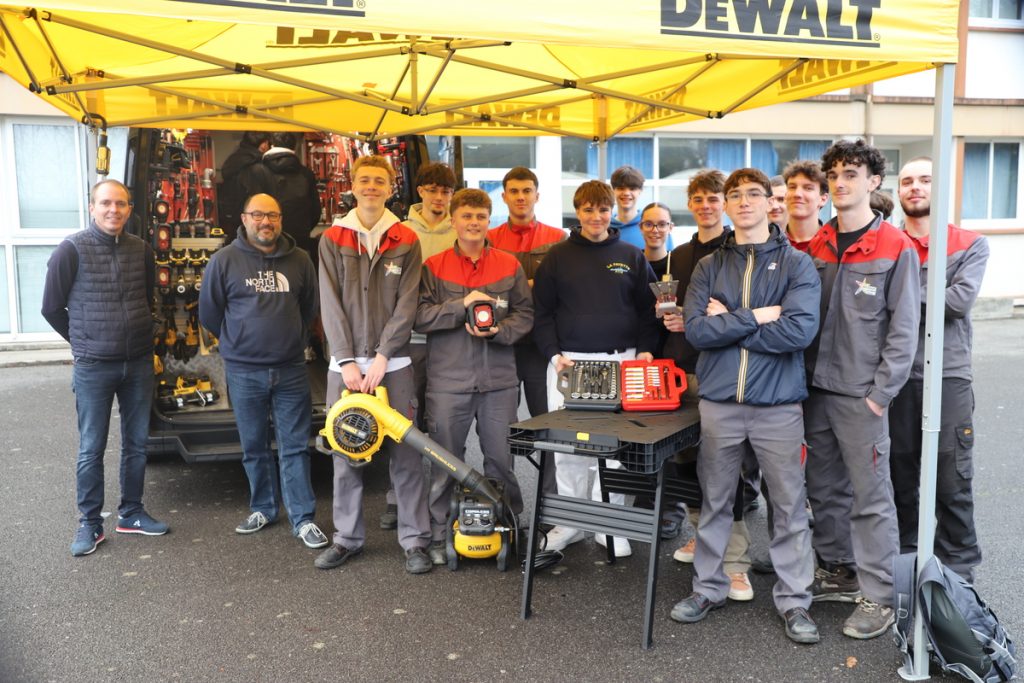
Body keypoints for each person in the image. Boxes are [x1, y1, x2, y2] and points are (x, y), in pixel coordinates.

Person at [669, 168, 820, 644]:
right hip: (719, 404)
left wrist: (729, 323)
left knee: (788, 505)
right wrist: (756, 316)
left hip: (777, 406)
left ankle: (795, 601)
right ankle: (709, 588)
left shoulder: (797, 265)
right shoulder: (709, 266)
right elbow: (696, 332)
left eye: (754, 194)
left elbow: (798, 332)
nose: (744, 202)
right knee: (715, 500)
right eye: (734, 195)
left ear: (770, 203)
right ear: (727, 204)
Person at [804, 139, 921, 640]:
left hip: (861, 396)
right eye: (834, 174)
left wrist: (879, 394)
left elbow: (905, 330)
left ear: (873, 182)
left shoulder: (895, 246)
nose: (840, 182)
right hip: (813, 392)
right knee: (823, 488)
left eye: (851, 174)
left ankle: (879, 596)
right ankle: (837, 567)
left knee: (871, 498)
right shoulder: (817, 245)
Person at [315, 155, 433, 574]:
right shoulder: (332, 238)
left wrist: (384, 356)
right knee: (345, 451)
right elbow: (329, 303)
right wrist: (346, 360)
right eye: (364, 180)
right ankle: (347, 538)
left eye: (378, 181)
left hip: (395, 364)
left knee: (406, 452)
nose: (371, 187)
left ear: (390, 186)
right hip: (343, 368)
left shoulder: (405, 238)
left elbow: (408, 303)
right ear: (352, 184)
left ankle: (416, 540)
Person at [41, 180, 169, 556]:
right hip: (94, 365)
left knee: (136, 444)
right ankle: (89, 523)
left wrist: (151, 335)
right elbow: (51, 307)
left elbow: (149, 299)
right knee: (91, 448)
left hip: (138, 362)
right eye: (106, 203)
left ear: (130, 209)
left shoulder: (142, 250)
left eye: (121, 204)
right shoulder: (71, 250)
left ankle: (131, 513)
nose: (114, 210)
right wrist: (82, 342)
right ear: (92, 207)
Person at [533, 180, 660, 556]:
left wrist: (645, 352)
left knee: (618, 449)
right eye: (588, 209)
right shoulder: (556, 257)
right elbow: (542, 316)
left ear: (611, 212)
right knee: (567, 450)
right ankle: (571, 522)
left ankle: (611, 524)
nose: (596, 216)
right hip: (569, 364)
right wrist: (555, 356)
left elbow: (649, 311)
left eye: (602, 209)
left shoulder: (632, 255)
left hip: (620, 362)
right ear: (578, 212)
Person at [199, 192, 326, 549]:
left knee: (295, 446)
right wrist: (236, 342)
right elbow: (209, 313)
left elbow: (309, 308)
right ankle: (264, 508)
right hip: (243, 372)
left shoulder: (300, 260)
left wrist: (291, 340)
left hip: (290, 370)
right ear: (244, 218)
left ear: (281, 219)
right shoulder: (223, 261)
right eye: (257, 215)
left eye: (272, 215)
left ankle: (303, 519)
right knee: (253, 445)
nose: (265, 222)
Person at [415, 188, 534, 564]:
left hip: (498, 380)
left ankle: (510, 526)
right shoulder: (433, 266)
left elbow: (525, 315)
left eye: (481, 217)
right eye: (466, 216)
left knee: (502, 461)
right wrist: (459, 306)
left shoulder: (509, 265)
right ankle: (438, 534)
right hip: (449, 381)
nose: (473, 223)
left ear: (489, 221)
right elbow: (419, 316)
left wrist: (499, 331)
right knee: (445, 462)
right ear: (453, 220)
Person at [889, 157, 989, 581]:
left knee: (951, 478)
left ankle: (959, 571)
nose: (915, 187)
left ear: (940, 187)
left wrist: (898, 293)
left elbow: (956, 303)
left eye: (925, 180)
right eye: (907, 181)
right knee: (899, 476)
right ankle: (909, 563)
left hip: (947, 375)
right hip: (894, 376)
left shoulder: (970, 243)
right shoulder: (887, 243)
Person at [662, 170, 755, 601]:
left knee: (725, 468)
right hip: (680, 370)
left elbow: (744, 313)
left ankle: (735, 562)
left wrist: (712, 319)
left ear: (725, 203)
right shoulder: (677, 256)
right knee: (685, 464)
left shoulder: (739, 251)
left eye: (713, 198)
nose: (705, 204)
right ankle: (702, 536)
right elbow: (668, 311)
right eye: (697, 198)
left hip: (722, 371)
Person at [371, 161, 459, 531]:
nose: (439, 198)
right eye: (432, 190)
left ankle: (446, 497)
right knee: (404, 423)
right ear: (420, 191)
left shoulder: (463, 229)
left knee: (444, 425)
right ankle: (397, 498)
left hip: (451, 341)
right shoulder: (400, 231)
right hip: (409, 344)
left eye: (446, 191)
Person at [488, 167, 567, 497]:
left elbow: (563, 290)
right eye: (514, 191)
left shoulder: (558, 238)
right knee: (497, 430)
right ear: (504, 196)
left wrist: (514, 288)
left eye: (527, 190)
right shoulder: (489, 239)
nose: (521, 197)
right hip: (499, 346)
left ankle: (550, 509)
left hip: (540, 347)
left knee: (548, 425)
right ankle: (503, 504)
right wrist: (529, 287)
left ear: (537, 195)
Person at [248, 132, 323, 267]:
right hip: (300, 245)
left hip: (265, 247)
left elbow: (252, 210)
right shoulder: (306, 174)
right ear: (294, 147)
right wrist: (302, 229)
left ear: (271, 145)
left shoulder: (256, 172)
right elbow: (316, 211)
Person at [219, 132, 271, 231]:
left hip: (231, 217)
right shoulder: (258, 165)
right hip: (251, 220)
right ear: (264, 145)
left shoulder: (233, 160)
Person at [611, 165, 671, 250]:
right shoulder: (605, 228)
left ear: (640, 191)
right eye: (621, 188)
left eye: (632, 189)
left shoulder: (655, 229)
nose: (626, 193)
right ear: (613, 190)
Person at [782, 160, 829, 252]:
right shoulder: (768, 245)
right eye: (792, 187)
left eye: (808, 188)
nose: (797, 194)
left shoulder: (835, 247)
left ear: (823, 199)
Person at [639, 202, 672, 280]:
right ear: (640, 227)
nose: (655, 230)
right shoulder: (632, 263)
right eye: (648, 224)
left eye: (662, 224)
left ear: (670, 228)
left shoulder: (680, 264)